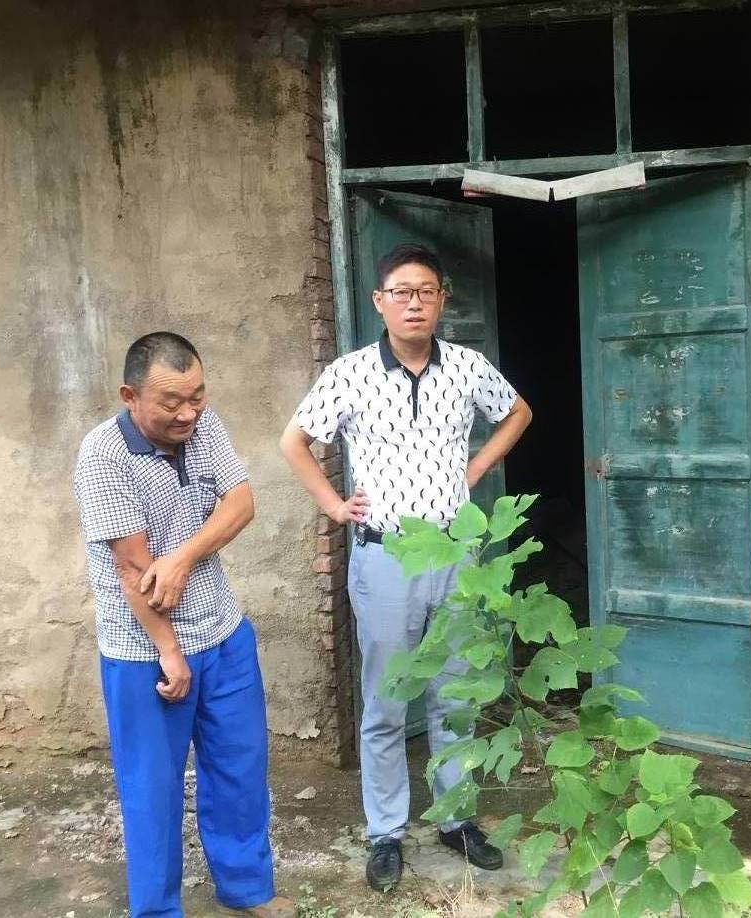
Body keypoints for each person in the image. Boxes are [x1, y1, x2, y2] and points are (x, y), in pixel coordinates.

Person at [280, 242, 533, 892]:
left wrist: (477, 467)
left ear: (442, 299)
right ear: (380, 302)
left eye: (425, 291)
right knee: (387, 700)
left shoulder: (467, 367)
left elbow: (518, 413)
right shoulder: (350, 373)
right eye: (401, 292)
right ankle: (386, 831)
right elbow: (295, 440)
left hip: (454, 557)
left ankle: (456, 819)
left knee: (455, 695)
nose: (413, 303)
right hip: (385, 557)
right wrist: (334, 505)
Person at [73, 332, 295, 918]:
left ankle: (247, 889)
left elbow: (241, 504)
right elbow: (132, 570)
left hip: (222, 633)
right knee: (153, 788)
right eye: (171, 402)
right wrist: (168, 652)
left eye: (196, 396)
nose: (188, 413)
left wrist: (182, 557)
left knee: (239, 772)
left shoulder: (203, 425)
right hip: (144, 652)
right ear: (130, 396)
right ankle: (157, 910)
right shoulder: (102, 456)